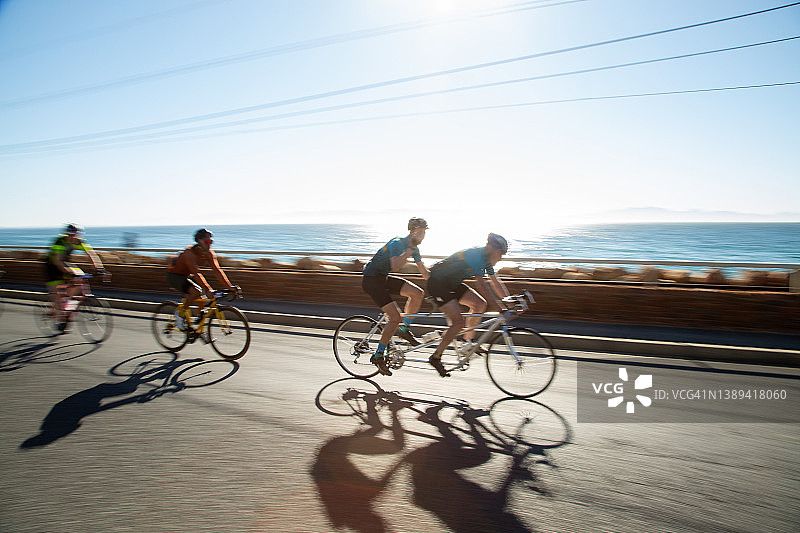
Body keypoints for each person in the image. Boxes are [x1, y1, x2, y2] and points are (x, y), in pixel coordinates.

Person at [426, 233, 514, 377]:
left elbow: (495, 282)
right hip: (437, 284)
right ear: (492, 249)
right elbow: (483, 287)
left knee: (480, 304)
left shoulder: (486, 259)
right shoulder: (476, 256)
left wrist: (509, 301)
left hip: (452, 284)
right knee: (458, 322)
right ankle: (436, 357)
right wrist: (501, 310)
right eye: (500, 253)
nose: (501, 258)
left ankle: (467, 344)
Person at [361, 217, 430, 376]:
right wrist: (410, 249)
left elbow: (425, 273)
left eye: (424, 233)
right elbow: (395, 266)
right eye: (419, 232)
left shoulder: (415, 248)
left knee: (418, 293)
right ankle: (378, 355)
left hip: (382, 278)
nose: (422, 236)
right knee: (395, 317)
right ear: (412, 231)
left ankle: (404, 329)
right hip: (371, 280)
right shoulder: (397, 243)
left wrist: (440, 283)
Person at [166, 228, 238, 333]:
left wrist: (229, 287)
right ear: (199, 242)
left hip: (186, 275)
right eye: (207, 242)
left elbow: (217, 270)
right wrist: (208, 289)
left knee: (201, 301)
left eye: (211, 241)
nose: (210, 244)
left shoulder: (209, 253)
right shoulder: (189, 253)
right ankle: (180, 314)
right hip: (174, 276)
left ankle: (198, 330)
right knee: (196, 291)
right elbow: (197, 273)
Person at [43, 224, 107, 330]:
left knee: (80, 279)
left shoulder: (80, 241)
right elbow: (57, 261)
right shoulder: (60, 241)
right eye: (70, 235)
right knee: (57, 294)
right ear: (66, 234)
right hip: (52, 266)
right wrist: (69, 272)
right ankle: (58, 317)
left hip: (65, 262)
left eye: (74, 235)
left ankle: (67, 304)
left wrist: (100, 268)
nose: (72, 237)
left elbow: (91, 254)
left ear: (78, 235)